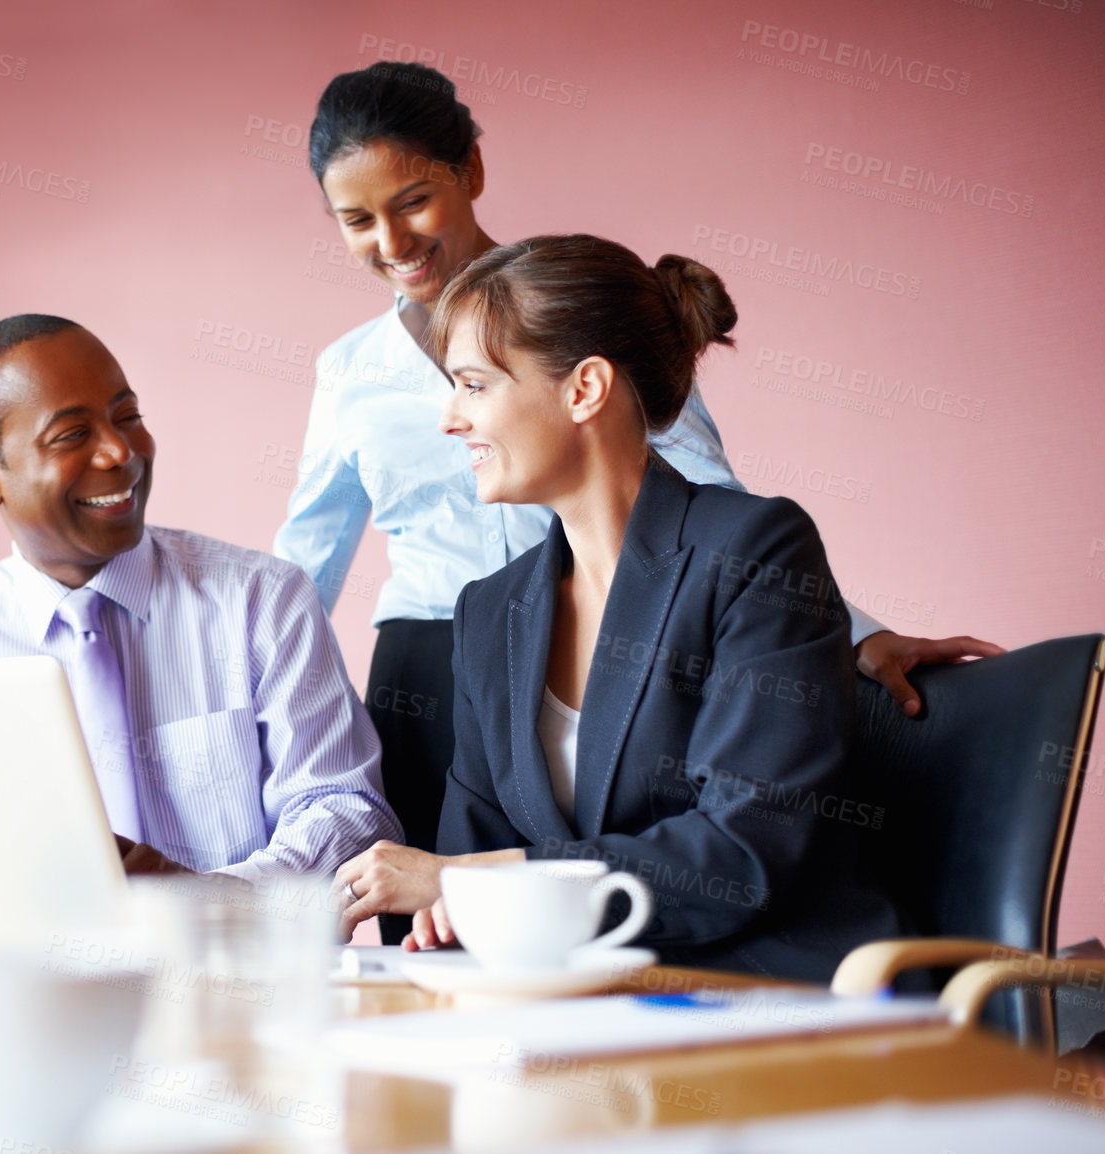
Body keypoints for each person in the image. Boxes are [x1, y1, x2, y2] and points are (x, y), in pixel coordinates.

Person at [277, 61, 999, 937]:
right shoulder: (360, 391)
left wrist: (852, 631)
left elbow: (719, 524)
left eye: (472, 385)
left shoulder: (589, 321)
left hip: (656, 664)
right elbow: (304, 562)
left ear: (469, 170)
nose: (389, 241)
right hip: (457, 652)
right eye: (356, 220)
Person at [341, 236, 903, 981]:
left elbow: (743, 854)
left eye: (473, 386)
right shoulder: (489, 612)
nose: (450, 418)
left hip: (767, 998)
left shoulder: (756, 551)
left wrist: (477, 882)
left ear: (584, 389)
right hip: (577, 1018)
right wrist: (458, 912)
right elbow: (472, 875)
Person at [0, 314, 402, 881]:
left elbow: (346, 809)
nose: (118, 452)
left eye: (127, 417)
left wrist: (219, 903)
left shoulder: (263, 600)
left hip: (241, 965)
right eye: (73, 435)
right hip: (29, 969)